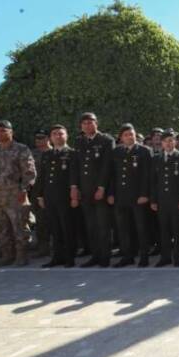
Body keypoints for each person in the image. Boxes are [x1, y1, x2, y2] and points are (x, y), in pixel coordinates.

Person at [0, 120, 37, 266]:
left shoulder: (21, 149)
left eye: (3, 130)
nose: (0, 133)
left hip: (14, 194)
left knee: (19, 226)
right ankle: (7, 255)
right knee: (0, 227)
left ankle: (22, 256)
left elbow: (29, 172)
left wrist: (24, 189)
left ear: (11, 132)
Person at [109, 124, 153, 267]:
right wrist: (111, 193)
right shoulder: (116, 152)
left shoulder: (144, 151)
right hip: (121, 196)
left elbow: (148, 175)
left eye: (131, 134)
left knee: (141, 227)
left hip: (138, 196)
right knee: (123, 228)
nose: (130, 136)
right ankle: (127, 256)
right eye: (126, 134)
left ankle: (144, 256)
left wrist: (145, 194)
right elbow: (112, 175)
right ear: (121, 138)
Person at [75, 112, 114, 267]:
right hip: (85, 191)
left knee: (103, 226)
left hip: (100, 191)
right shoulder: (79, 141)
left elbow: (107, 166)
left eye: (90, 122)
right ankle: (95, 256)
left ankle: (105, 257)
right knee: (91, 226)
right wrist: (75, 187)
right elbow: (76, 166)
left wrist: (102, 187)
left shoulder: (106, 140)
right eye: (84, 123)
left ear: (97, 123)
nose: (87, 125)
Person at [37, 125, 79, 268]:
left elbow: (74, 175)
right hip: (49, 196)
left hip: (65, 196)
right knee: (54, 228)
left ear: (66, 136)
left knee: (67, 227)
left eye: (61, 134)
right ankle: (57, 257)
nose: (58, 136)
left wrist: (74, 195)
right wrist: (40, 195)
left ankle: (69, 258)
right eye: (55, 134)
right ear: (51, 138)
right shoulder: (47, 155)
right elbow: (42, 176)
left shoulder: (72, 153)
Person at [149, 131, 179, 267]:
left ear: (175, 142)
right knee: (163, 231)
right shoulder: (156, 159)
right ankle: (165, 257)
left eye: (171, 140)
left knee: (177, 230)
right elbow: (153, 182)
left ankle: (178, 257)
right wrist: (153, 200)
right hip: (162, 201)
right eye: (166, 141)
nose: (168, 143)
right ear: (162, 143)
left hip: (177, 201)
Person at [30, 130, 52, 260]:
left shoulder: (55, 152)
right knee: (40, 221)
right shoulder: (31, 154)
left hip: (52, 191)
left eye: (42, 138)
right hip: (36, 192)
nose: (39, 141)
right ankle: (43, 247)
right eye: (37, 138)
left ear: (48, 138)